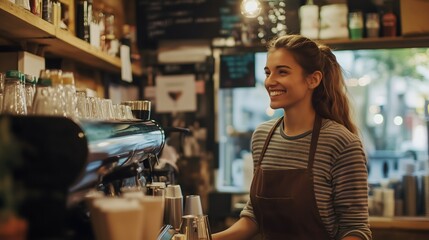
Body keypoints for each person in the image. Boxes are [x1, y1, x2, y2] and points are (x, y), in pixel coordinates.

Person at [212, 34, 372, 240]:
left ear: (313, 79)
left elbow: (355, 229)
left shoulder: (340, 143)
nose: (270, 81)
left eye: (282, 72)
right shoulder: (262, 137)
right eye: (268, 72)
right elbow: (254, 217)